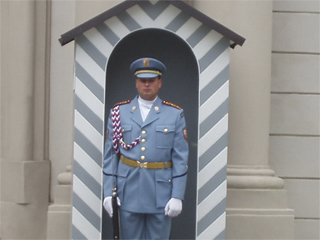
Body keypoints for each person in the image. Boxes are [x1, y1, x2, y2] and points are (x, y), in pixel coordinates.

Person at [103, 57, 189, 240]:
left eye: (151, 80)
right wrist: (108, 193)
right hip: (129, 190)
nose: (147, 84)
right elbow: (111, 157)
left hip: (161, 192)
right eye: (143, 80)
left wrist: (177, 195)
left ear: (160, 83)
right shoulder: (119, 112)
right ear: (136, 83)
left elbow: (180, 158)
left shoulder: (174, 114)